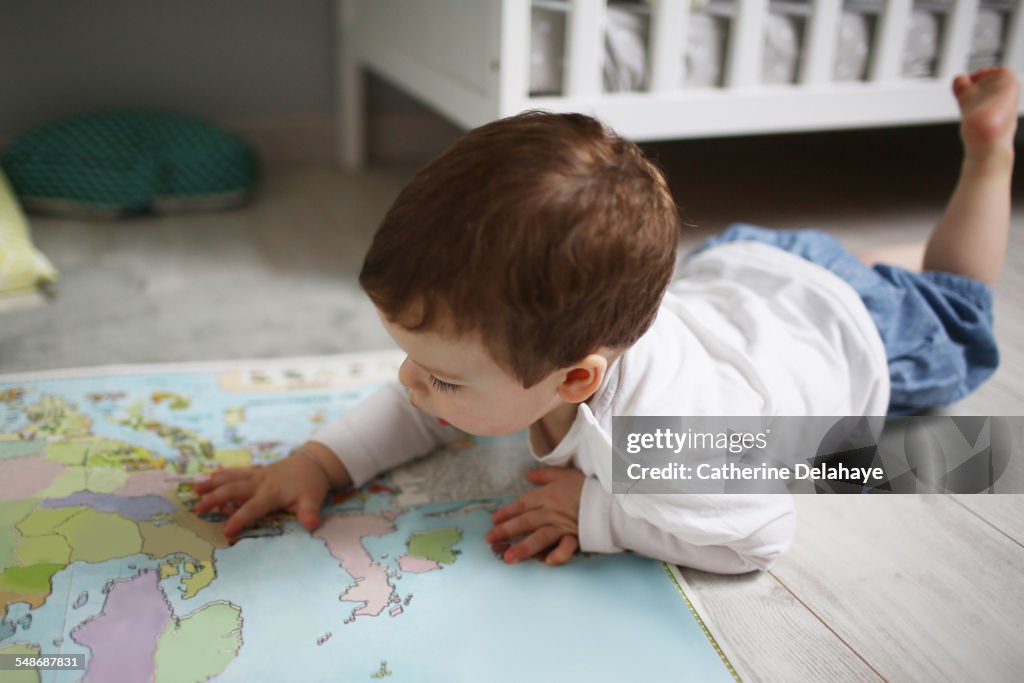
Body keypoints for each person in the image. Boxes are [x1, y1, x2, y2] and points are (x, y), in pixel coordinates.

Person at [194, 67, 1017, 573]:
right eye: (414, 359)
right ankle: (879, 256)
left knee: (953, 300)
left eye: (442, 375)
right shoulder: (538, 350)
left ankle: (988, 157)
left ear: (578, 377)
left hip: (855, 332)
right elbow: (416, 411)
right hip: (750, 279)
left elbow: (760, 531)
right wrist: (320, 459)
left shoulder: (661, 441)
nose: (413, 383)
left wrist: (599, 515)